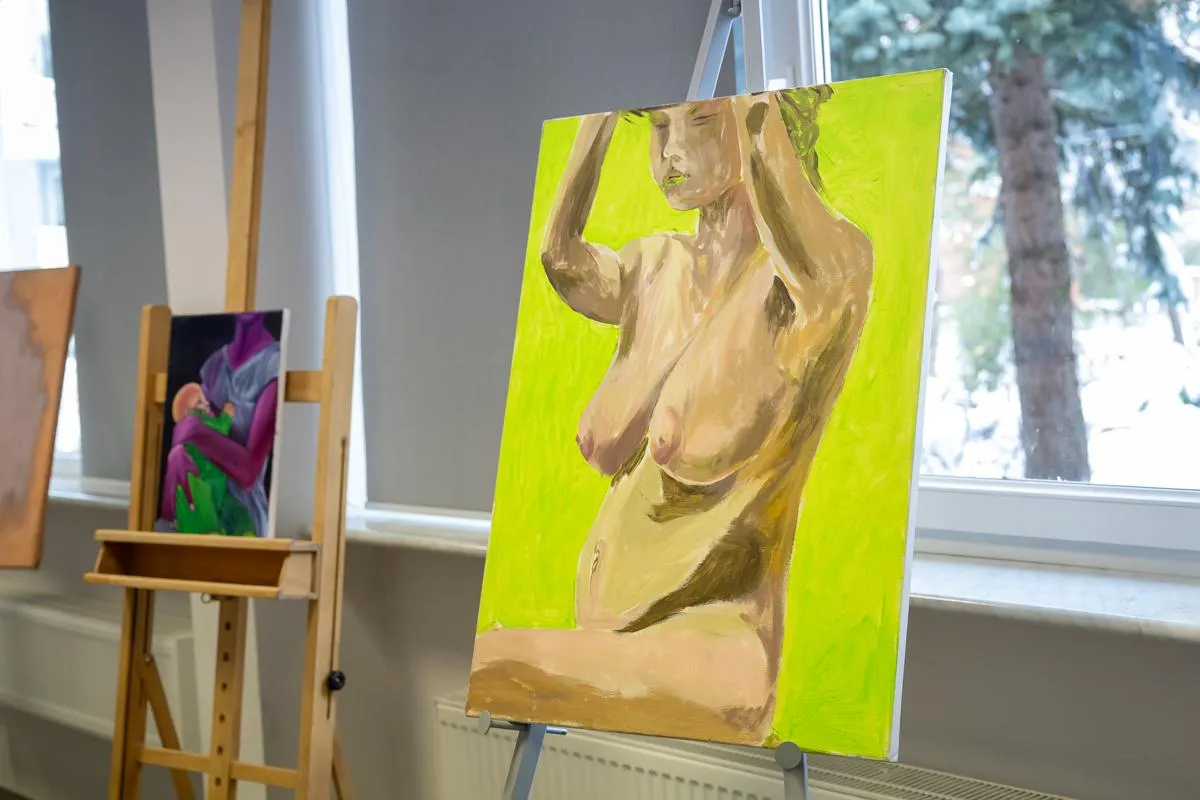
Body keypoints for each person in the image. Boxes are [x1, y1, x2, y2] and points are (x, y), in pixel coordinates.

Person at [469, 88, 874, 744]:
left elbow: (776, 162)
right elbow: (559, 256)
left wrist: (757, 111)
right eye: (658, 127)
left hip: (711, 651)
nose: (672, 152)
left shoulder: (819, 281)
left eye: (702, 121)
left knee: (492, 664)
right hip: (613, 648)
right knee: (493, 667)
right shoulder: (656, 266)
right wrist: (597, 117)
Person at [158, 313, 281, 537]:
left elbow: (248, 473)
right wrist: (182, 448)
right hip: (204, 506)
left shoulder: (274, 365)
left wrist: (194, 431)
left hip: (242, 520)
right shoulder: (215, 365)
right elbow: (205, 429)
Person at [165, 382, 255, 535]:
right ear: (189, 411)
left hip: (213, 476)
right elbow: (219, 429)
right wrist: (227, 415)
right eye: (199, 402)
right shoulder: (195, 421)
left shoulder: (190, 427)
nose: (206, 404)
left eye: (204, 399)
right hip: (208, 478)